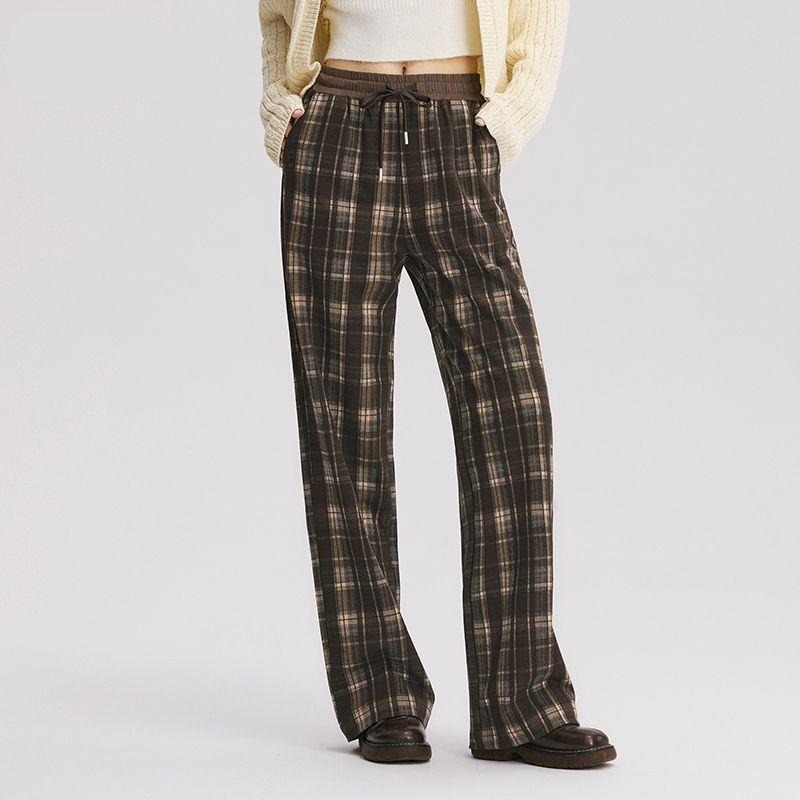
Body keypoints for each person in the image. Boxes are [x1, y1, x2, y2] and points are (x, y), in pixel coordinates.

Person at [259, 0, 616, 768]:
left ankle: (520, 702)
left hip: (458, 132)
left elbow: (540, 18)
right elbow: (277, 15)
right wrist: (282, 107)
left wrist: (505, 123)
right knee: (343, 424)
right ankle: (380, 696)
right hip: (335, 130)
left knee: (512, 415)